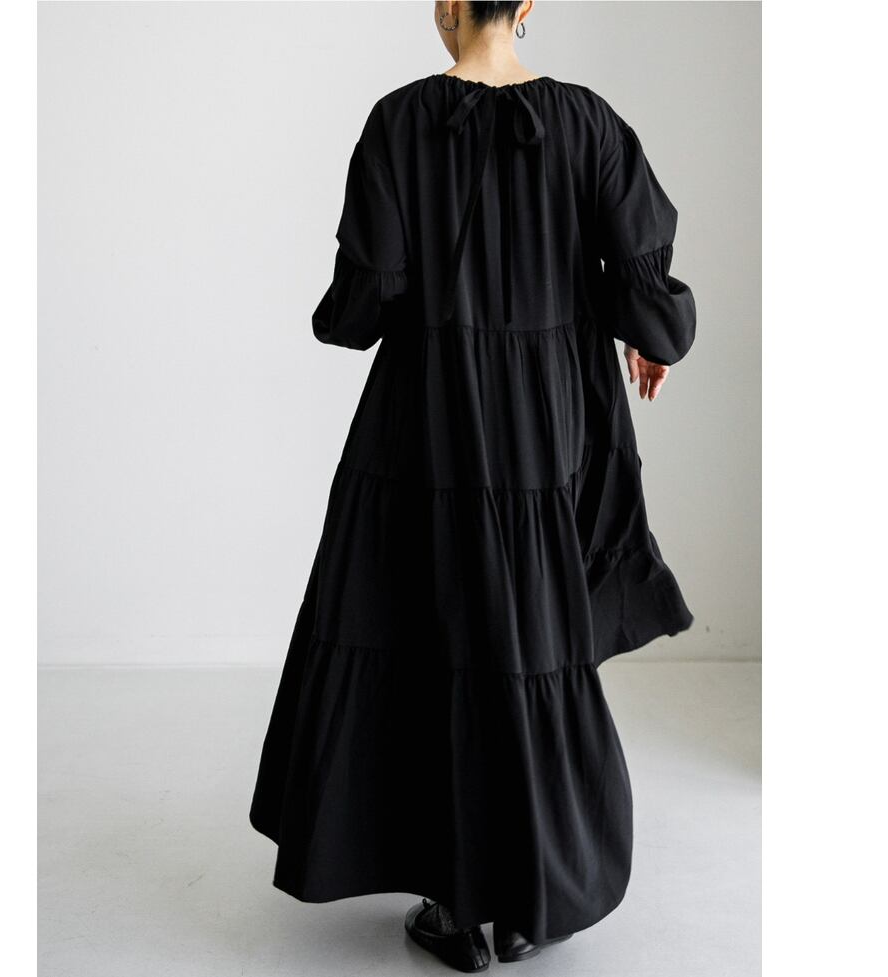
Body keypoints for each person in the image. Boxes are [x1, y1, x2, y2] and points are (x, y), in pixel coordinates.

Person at [249, 1, 697, 971]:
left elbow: (367, 298)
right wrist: (652, 336)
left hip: (429, 412)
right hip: (551, 412)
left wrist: (351, 311)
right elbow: (636, 263)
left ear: (444, 5)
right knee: (529, 631)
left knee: (429, 626)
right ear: (525, 5)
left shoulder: (398, 118)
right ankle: (531, 898)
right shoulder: (587, 119)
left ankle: (454, 903)